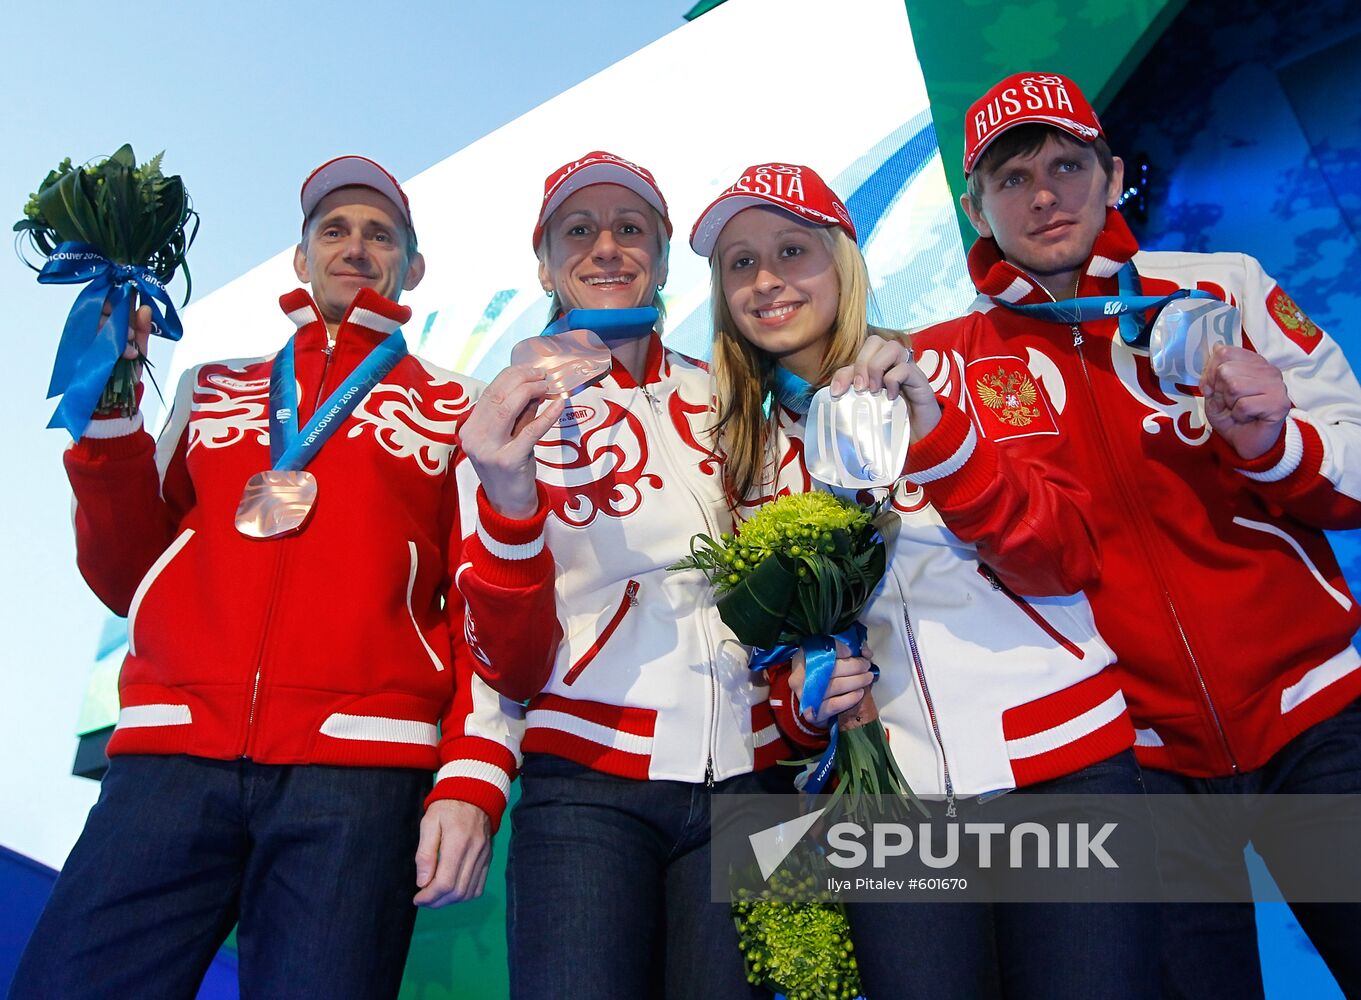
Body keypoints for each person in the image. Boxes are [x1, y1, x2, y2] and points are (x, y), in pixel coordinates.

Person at [9, 156, 558, 1000]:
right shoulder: (211, 388)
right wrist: (111, 409)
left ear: (412, 268)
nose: (356, 248)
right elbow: (127, 576)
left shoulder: (459, 404)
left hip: (360, 776)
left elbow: (476, 603)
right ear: (300, 259)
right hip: (169, 757)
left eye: (381, 236)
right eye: (332, 230)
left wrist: (474, 775)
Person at [930, 70, 1361, 997]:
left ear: (1112, 170)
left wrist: (1275, 444)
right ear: (974, 207)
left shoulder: (1224, 289)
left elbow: (1355, 464)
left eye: (1065, 164)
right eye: (1011, 179)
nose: (1043, 195)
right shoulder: (956, 368)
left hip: (1314, 719)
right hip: (1132, 766)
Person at [691, 161, 1155, 999]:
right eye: (739, 264)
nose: (765, 281)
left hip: (1059, 765)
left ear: (843, 260)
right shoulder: (744, 460)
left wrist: (935, 432)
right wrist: (805, 697)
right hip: (888, 811)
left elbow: (1065, 555)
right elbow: (769, 661)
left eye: (791, 249)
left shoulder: (968, 359)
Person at [455, 150, 877, 999]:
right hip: (587, 792)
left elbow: (789, 595)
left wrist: (805, 690)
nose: (606, 246)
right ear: (544, 263)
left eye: (629, 229)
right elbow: (505, 657)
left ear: (659, 252)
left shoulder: (727, 393)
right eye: (579, 230)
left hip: (755, 792)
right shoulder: (500, 410)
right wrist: (506, 500)